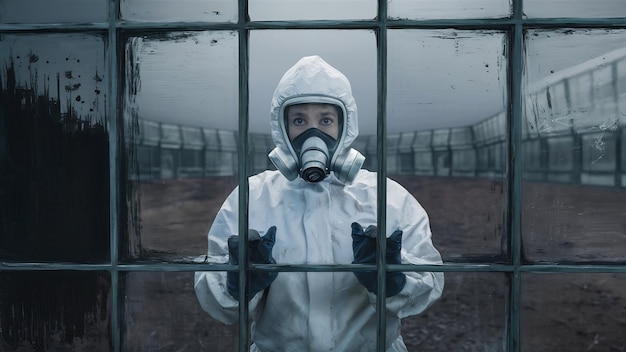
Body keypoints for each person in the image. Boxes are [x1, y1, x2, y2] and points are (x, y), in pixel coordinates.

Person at [194, 55, 444, 352]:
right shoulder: (251, 197)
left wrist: (394, 280)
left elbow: (430, 283)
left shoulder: (387, 197)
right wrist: (238, 283)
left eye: (326, 120)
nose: (314, 134)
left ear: (345, 126)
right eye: (299, 120)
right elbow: (220, 304)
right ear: (282, 128)